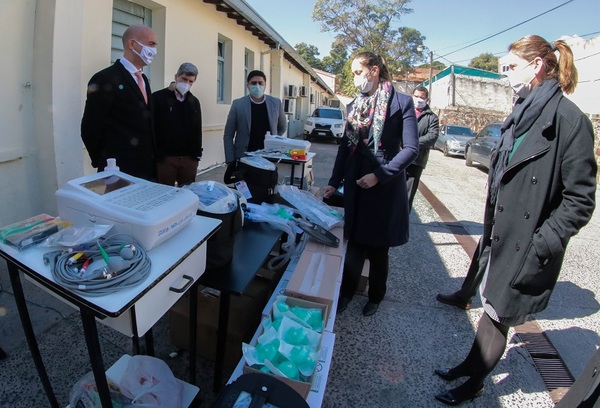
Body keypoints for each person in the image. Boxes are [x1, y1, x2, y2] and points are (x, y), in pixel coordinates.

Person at [433, 35, 596, 406]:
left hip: (527, 243)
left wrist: (543, 244)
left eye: (510, 67)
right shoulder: (521, 112)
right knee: (490, 308)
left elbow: (580, 200)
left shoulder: (570, 122)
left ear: (537, 65)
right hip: (501, 234)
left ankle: (473, 383)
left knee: (496, 317)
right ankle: (469, 366)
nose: (505, 75)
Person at [323, 52, 419, 317]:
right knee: (354, 243)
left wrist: (380, 175)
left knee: (378, 248)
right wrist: (334, 182)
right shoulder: (354, 106)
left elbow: (411, 149)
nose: (354, 79)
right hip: (356, 181)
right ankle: (346, 292)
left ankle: (376, 296)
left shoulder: (402, 103)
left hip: (384, 184)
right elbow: (346, 147)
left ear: (374, 70)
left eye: (357, 72)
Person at [81, 24, 158, 180]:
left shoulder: (143, 79)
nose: (154, 50)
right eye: (151, 44)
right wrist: (104, 161)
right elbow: (91, 127)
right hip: (118, 170)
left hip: (146, 169)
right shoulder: (104, 79)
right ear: (132, 44)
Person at [223, 70, 287, 167]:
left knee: (267, 182)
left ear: (265, 85)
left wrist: (272, 141)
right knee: (244, 182)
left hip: (268, 157)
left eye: (260, 83)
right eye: (253, 83)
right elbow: (228, 135)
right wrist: (230, 160)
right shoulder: (238, 104)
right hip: (244, 158)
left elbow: (282, 127)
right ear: (248, 85)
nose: (257, 86)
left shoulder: (276, 103)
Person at [153, 63, 203, 186]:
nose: (187, 84)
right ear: (176, 76)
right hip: (166, 160)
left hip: (188, 159)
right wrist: (157, 155)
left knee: (187, 195)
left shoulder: (194, 102)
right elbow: (152, 128)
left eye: (190, 81)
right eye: (184, 79)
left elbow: (197, 129)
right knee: (163, 195)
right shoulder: (158, 98)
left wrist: (197, 155)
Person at [406, 85, 439, 211]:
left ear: (427, 99)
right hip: (398, 157)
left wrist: (411, 143)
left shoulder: (432, 118)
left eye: (422, 97)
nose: (419, 99)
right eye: (416, 96)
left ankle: (403, 223)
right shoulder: (404, 111)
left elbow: (432, 136)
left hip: (416, 160)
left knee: (408, 193)